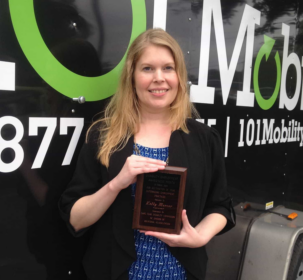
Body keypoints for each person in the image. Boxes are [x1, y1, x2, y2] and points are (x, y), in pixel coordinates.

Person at [59, 28, 235, 280]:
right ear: (131, 76)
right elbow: (75, 219)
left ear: (179, 76)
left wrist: (200, 237)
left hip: (181, 273)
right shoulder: (102, 136)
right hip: (115, 272)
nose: (159, 78)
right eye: (147, 69)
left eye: (168, 68)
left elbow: (220, 205)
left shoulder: (204, 139)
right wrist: (116, 184)